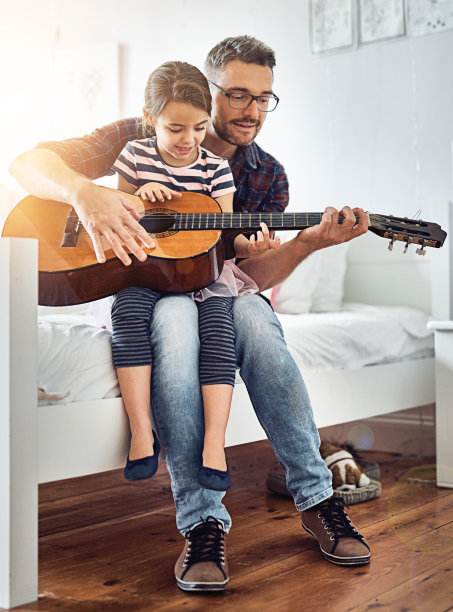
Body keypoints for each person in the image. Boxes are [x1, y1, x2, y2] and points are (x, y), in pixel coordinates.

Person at [9, 35, 370, 592]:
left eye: (265, 98)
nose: (252, 110)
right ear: (207, 92)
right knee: (173, 324)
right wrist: (86, 193)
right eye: (239, 94)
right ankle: (202, 521)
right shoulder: (142, 134)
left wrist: (308, 244)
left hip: (225, 294)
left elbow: (255, 276)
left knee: (254, 318)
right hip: (153, 290)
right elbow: (28, 164)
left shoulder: (265, 175)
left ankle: (318, 498)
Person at [111, 60, 278, 489]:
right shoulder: (134, 156)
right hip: (143, 271)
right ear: (150, 120)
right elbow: (121, 219)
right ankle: (142, 433)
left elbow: (222, 235)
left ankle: (214, 445)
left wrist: (249, 246)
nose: (189, 140)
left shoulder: (214, 170)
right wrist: (140, 199)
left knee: (219, 335)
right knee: (126, 316)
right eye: (175, 129)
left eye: (200, 128)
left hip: (205, 277)